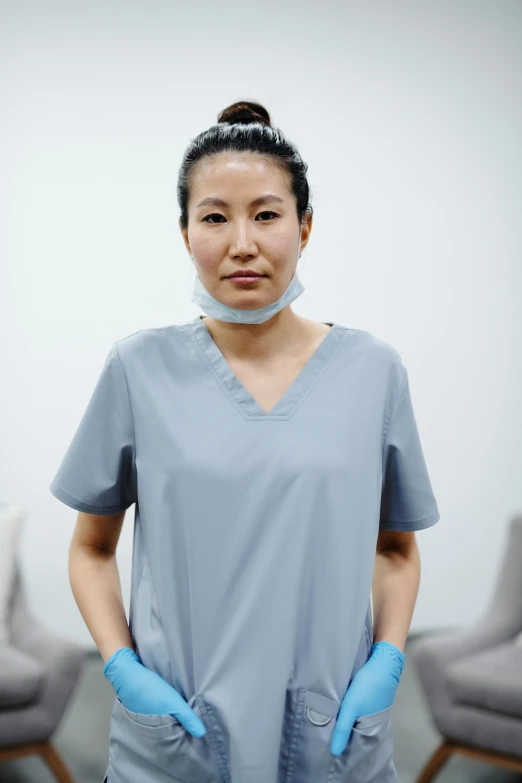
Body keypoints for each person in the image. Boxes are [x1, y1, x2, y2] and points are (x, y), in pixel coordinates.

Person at [50, 100, 440, 783]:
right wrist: (121, 667)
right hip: (176, 735)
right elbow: (90, 549)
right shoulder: (137, 369)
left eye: (265, 214)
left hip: (333, 735)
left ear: (305, 226)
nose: (241, 243)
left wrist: (387, 660)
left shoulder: (374, 370)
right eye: (214, 217)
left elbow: (397, 548)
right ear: (184, 232)